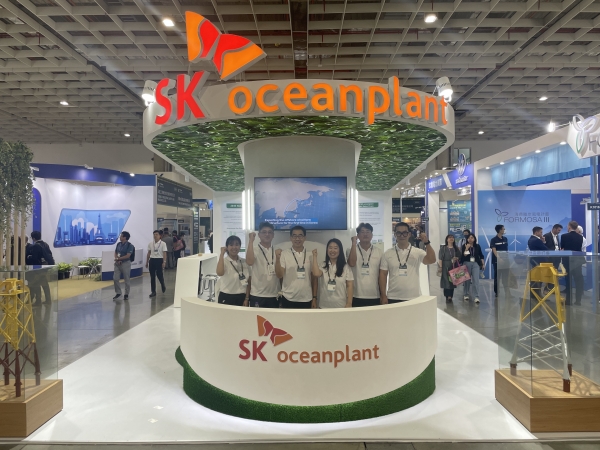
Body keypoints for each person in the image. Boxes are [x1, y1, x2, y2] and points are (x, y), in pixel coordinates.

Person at [380, 222, 436, 303]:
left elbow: (431, 260)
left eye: (405, 233)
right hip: (393, 296)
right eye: (399, 233)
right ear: (395, 235)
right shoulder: (388, 254)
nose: (402, 235)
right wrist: (383, 295)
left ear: (409, 234)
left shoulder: (417, 252)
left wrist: (427, 243)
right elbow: (383, 274)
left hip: (413, 297)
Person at [275, 226, 317, 309]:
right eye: (294, 236)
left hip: (306, 298)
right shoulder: (284, 254)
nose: (297, 239)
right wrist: (277, 259)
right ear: (291, 238)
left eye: (300, 236)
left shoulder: (311, 255)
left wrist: (314, 297)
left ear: (304, 238)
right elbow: (279, 275)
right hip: (288, 298)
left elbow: (314, 278)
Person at [347, 223, 383, 307]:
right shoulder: (351, 250)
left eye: (368, 232)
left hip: (374, 294)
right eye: (362, 232)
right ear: (358, 235)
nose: (365, 234)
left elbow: (382, 275)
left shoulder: (379, 252)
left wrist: (382, 294)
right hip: (356, 294)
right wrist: (353, 244)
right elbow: (351, 263)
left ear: (372, 235)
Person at [246, 222, 280, 308]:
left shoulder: (277, 250)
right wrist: (251, 241)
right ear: (259, 235)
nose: (267, 234)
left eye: (270, 232)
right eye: (264, 232)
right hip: (257, 294)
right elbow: (249, 262)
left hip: (274, 295)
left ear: (273, 235)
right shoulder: (254, 249)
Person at [312, 239, 353, 308]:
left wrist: (349, 303)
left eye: (335, 248)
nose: (332, 250)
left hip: (340, 305)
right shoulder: (322, 265)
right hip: (324, 305)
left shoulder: (346, 267)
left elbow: (350, 285)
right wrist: (314, 257)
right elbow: (316, 274)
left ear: (340, 250)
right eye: (330, 248)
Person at [216, 235, 250, 306]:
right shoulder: (224, 261)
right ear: (227, 247)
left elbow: (249, 281)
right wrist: (222, 254)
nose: (234, 247)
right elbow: (219, 273)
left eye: (237, 244)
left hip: (242, 296)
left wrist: (247, 298)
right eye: (231, 245)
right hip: (226, 295)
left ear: (240, 247)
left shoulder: (244, 262)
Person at [26, 231, 54, 306]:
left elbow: (35, 258)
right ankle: (48, 299)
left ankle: (38, 301)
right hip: (46, 267)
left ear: (33, 238)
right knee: (45, 284)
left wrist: (29, 257)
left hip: (39, 268)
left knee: (36, 284)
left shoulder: (35, 246)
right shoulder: (45, 244)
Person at [561, 220, 584, 305]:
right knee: (578, 281)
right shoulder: (580, 237)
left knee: (568, 280)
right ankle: (578, 301)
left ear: (569, 227)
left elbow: (562, 248)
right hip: (578, 261)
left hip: (567, 261)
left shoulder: (564, 236)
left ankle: (568, 301)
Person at [461, 233, 485, 304]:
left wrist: (483, 264)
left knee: (476, 280)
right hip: (467, 263)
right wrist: (467, 248)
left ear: (474, 239)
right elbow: (464, 255)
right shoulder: (464, 245)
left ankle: (476, 296)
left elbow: (481, 255)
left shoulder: (477, 246)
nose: (470, 239)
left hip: (475, 263)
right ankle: (466, 294)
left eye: (472, 237)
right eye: (469, 238)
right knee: (467, 280)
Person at [438, 235, 460, 303]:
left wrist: (456, 258)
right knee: (446, 281)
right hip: (445, 266)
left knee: (452, 281)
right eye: (449, 238)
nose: (451, 239)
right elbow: (440, 258)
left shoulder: (456, 248)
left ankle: (451, 295)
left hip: (453, 266)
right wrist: (440, 267)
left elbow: (459, 256)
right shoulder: (443, 248)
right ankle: (447, 296)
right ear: (447, 239)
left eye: (452, 237)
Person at [113, 231, 134, 301]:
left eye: (121, 236)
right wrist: (117, 259)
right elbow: (116, 252)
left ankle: (126, 294)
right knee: (115, 278)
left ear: (125, 237)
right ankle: (118, 292)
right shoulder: (118, 244)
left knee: (126, 279)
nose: (120, 237)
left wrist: (119, 259)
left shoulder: (130, 245)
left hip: (125, 263)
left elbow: (128, 255)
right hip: (117, 263)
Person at [146, 230, 167, 298]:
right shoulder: (150, 243)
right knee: (152, 276)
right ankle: (153, 291)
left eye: (156, 234)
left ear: (160, 236)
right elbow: (149, 253)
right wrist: (147, 261)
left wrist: (164, 262)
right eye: (154, 234)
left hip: (159, 259)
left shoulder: (163, 244)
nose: (155, 236)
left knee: (159, 275)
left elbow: (164, 253)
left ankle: (162, 284)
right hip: (152, 260)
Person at [490, 224, 509, 298]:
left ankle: (507, 292)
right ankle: (497, 292)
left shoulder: (505, 239)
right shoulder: (493, 240)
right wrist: (499, 258)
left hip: (506, 261)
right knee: (497, 277)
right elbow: (494, 250)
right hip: (497, 262)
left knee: (506, 277)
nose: (504, 230)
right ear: (500, 230)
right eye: (503, 229)